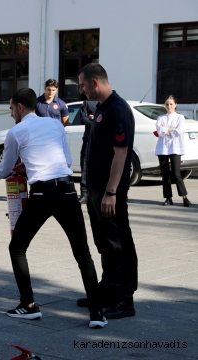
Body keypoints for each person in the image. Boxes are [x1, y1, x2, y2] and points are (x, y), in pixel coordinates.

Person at [0, 88, 106, 328]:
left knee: (18, 247)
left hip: (43, 194)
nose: (11, 114)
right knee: (82, 252)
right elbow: (65, 161)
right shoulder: (55, 125)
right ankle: (97, 313)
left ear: (21, 107)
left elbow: (3, 170)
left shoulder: (16, 132)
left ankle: (29, 305)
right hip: (66, 190)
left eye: (12, 109)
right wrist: (30, 166)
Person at [77, 63, 138, 319]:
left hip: (108, 193)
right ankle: (107, 289)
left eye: (81, 85)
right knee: (103, 243)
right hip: (95, 190)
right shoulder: (102, 108)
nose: (80, 90)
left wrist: (111, 192)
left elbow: (121, 153)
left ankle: (124, 300)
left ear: (94, 82)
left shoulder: (118, 109)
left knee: (117, 244)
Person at [156, 95, 191, 207]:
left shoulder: (180, 117)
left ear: (175, 104)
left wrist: (167, 130)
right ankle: (168, 198)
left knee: (176, 174)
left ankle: (184, 197)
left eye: (171, 104)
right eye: (167, 104)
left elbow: (179, 130)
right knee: (165, 174)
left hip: (175, 148)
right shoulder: (161, 118)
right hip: (162, 149)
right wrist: (170, 129)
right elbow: (159, 130)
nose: (169, 106)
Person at [75, 94, 98, 204]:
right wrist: (96, 120)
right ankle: (84, 194)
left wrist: (93, 118)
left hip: (100, 140)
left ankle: (95, 193)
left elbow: (105, 119)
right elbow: (83, 119)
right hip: (88, 139)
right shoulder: (87, 102)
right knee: (84, 167)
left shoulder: (103, 102)